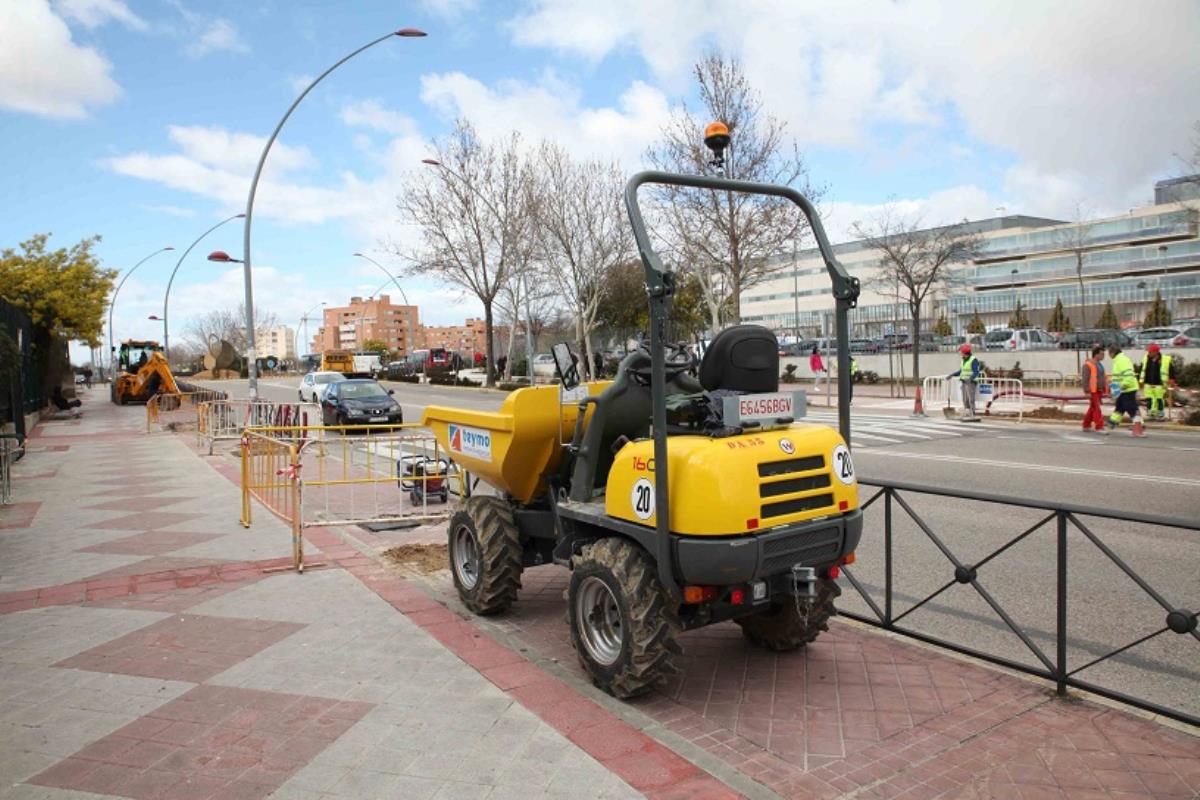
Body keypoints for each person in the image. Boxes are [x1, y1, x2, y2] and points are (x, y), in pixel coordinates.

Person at [1106, 343, 1144, 436]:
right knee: (1120, 407)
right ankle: (1112, 423)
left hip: (1127, 388)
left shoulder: (1121, 360)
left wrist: (1123, 385)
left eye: (1109, 353)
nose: (1108, 356)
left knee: (1131, 408)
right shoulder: (1119, 360)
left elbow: (1128, 375)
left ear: (1112, 353)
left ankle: (1139, 426)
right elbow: (1119, 376)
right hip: (1122, 389)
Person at [1137, 344, 1177, 421]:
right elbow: (1141, 370)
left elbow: (1171, 371)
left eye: (1150, 352)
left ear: (1156, 352)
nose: (1149, 353)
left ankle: (1160, 415)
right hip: (1148, 383)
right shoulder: (1145, 359)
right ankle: (1151, 414)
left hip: (1160, 384)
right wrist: (1140, 381)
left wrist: (1172, 379)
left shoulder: (1165, 359)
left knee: (1159, 400)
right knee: (1149, 400)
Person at [947, 344, 981, 421]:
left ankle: (972, 412)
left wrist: (970, 378)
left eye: (961, 352)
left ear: (965, 352)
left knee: (970, 398)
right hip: (964, 381)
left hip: (971, 382)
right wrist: (952, 375)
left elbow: (976, 372)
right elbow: (961, 371)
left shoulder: (973, 360)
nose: (960, 353)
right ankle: (967, 411)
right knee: (965, 398)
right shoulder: (963, 360)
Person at [1080, 345, 1107, 433]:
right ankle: (1099, 427)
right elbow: (1085, 379)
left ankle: (1086, 425)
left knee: (1093, 408)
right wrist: (1087, 391)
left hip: (1098, 390)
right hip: (1092, 390)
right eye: (1102, 354)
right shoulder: (1087, 365)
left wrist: (1105, 388)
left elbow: (1102, 377)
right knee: (1096, 408)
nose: (1103, 356)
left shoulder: (1099, 365)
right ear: (1096, 355)